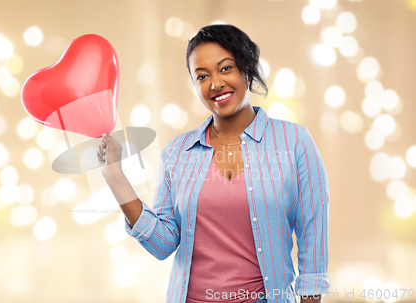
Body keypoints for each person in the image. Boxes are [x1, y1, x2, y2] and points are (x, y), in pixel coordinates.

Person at [97, 24, 330, 303]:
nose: (215, 84)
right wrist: (114, 176)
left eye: (225, 68)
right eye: (202, 76)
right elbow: (162, 243)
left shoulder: (295, 142)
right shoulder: (177, 152)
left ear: (247, 68)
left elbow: (312, 237)